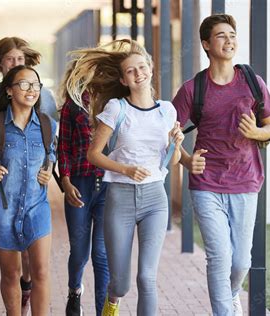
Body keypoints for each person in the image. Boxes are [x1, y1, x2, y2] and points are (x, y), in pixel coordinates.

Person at [67, 39, 184, 316]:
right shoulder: (116, 109)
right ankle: (112, 302)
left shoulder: (167, 110)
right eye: (131, 71)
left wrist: (176, 144)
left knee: (147, 278)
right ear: (123, 78)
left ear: (151, 69)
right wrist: (126, 170)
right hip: (119, 198)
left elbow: (174, 161)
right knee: (120, 283)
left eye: (142, 67)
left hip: (155, 198)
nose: (138, 73)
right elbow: (93, 155)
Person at [172, 14, 270, 315]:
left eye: (232, 34)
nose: (229, 40)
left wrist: (257, 133)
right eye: (221, 35)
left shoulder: (253, 83)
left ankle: (229, 294)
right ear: (206, 44)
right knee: (219, 257)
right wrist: (189, 161)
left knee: (241, 260)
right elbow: (169, 134)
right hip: (207, 184)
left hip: (245, 181)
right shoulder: (193, 89)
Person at [0, 65, 57, 316]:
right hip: (3, 209)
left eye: (35, 85)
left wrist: (48, 169)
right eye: (24, 84)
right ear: (9, 91)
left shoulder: (48, 125)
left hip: (37, 206)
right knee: (11, 273)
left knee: (40, 272)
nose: (31, 90)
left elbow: (51, 154)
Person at [0, 36, 58, 315]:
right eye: (10, 59)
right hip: (5, 192)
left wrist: (49, 167)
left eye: (20, 59)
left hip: (34, 194)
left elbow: (50, 140)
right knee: (12, 263)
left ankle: (27, 287)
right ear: (0, 64)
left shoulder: (44, 98)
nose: (16, 63)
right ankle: (18, 296)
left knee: (34, 260)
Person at [57, 61, 109, 316]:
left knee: (101, 253)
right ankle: (75, 290)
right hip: (79, 184)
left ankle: (103, 311)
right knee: (79, 251)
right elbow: (63, 147)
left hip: (107, 187)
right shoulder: (72, 105)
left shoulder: (113, 101)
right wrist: (65, 181)